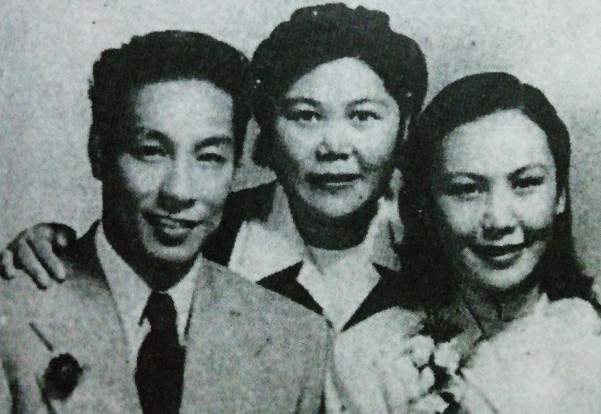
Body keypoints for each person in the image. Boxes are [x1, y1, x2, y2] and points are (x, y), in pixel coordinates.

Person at [1, 3, 427, 334]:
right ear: (266, 127)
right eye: (305, 116)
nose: (334, 147)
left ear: (405, 126)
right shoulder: (195, 228)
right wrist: (52, 248)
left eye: (363, 116)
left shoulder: (438, 245)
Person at [0, 30, 329, 413]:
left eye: (209, 157)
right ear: (98, 153)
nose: (179, 191)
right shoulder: (13, 317)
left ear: (236, 166)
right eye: (151, 151)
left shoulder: (297, 341)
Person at [334, 72, 601, 413]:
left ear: (560, 195)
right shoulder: (369, 359)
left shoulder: (591, 336)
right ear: (427, 204)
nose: (499, 221)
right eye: (466, 189)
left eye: (525, 183)